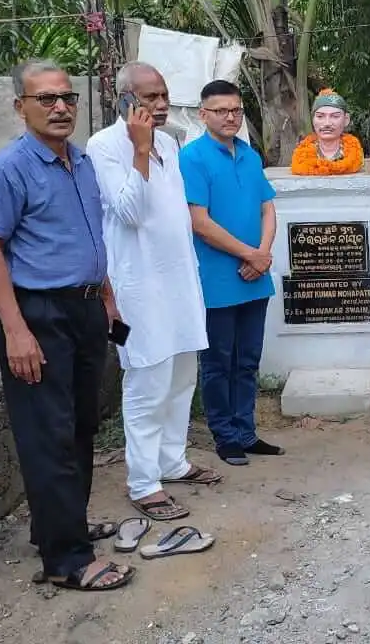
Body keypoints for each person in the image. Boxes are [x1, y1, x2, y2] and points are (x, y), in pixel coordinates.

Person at [0, 59, 134, 592]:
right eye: (46, 99)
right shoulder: (9, 169)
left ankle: (63, 529)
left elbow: (90, 238)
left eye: (67, 97)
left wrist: (106, 296)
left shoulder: (81, 161)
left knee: (82, 425)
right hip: (37, 314)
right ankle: (66, 561)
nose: (60, 107)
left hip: (85, 308)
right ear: (21, 106)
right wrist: (16, 330)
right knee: (49, 436)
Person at [87, 62, 220, 521]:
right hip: (137, 289)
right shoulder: (102, 147)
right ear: (125, 99)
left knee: (183, 374)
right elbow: (129, 214)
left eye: (164, 96)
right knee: (147, 381)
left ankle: (172, 461)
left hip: (179, 281)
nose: (161, 106)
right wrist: (139, 151)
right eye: (150, 98)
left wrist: (152, 145)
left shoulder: (170, 142)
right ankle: (143, 483)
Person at [180, 79, 283, 466]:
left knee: (248, 359)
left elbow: (267, 207)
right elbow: (199, 222)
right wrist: (250, 255)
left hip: (255, 277)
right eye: (221, 110)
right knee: (218, 361)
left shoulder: (250, 156)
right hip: (218, 280)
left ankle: (246, 431)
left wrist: (263, 254)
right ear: (203, 114)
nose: (230, 117)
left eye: (236, 110)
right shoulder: (192, 157)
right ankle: (224, 436)